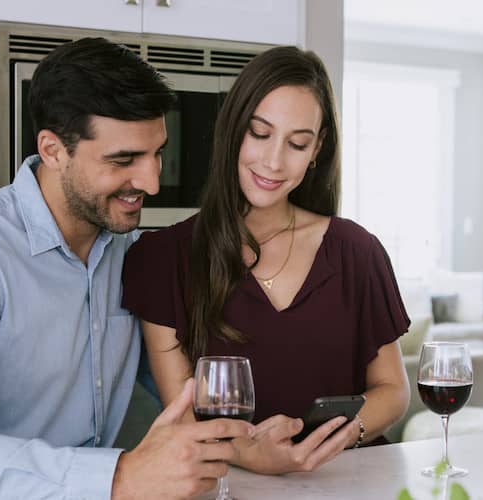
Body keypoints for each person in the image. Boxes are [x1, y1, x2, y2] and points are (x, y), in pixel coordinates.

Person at [0, 38, 251, 500]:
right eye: (123, 160)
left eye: (157, 153)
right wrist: (120, 477)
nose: (150, 181)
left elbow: (180, 382)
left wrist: (254, 441)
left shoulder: (131, 252)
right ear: (52, 150)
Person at [121, 46, 410, 474]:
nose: (274, 161)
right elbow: (182, 412)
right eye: (260, 133)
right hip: (229, 483)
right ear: (234, 128)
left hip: (346, 480)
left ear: (317, 150)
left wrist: (340, 437)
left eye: (297, 143)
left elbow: (393, 389)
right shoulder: (164, 259)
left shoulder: (356, 252)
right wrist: (249, 456)